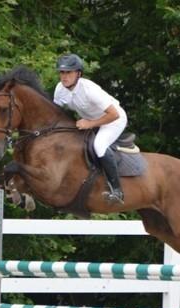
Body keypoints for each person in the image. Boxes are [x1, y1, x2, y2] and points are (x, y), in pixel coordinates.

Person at [53, 53, 127, 204]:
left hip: (113, 120)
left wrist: (90, 124)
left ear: (78, 73)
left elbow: (114, 114)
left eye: (69, 72)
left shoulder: (89, 89)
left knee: (99, 146)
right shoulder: (60, 89)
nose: (64, 76)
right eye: (62, 72)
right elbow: (56, 113)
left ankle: (117, 190)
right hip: (91, 120)